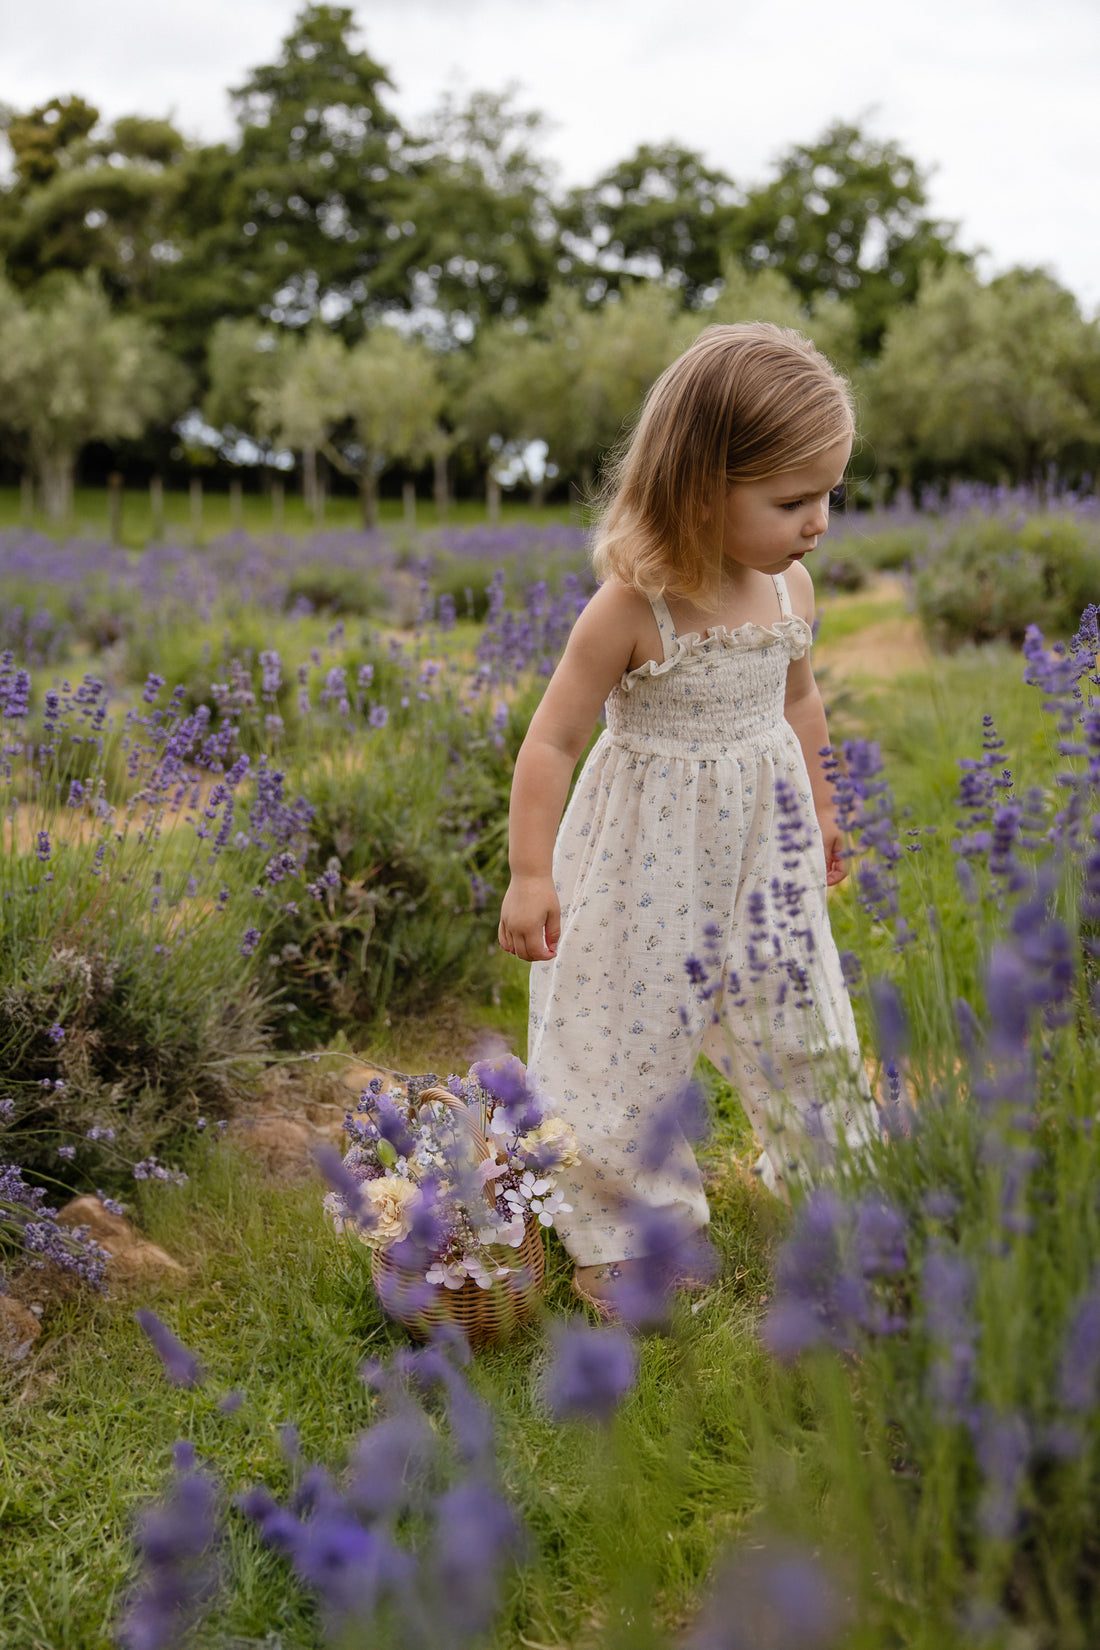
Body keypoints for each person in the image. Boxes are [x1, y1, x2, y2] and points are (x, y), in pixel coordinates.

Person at [498, 322, 879, 1316]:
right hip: (645, 861)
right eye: (792, 500)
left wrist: (824, 808)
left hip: (765, 850)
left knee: (801, 1017)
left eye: (826, 494)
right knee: (627, 1036)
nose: (819, 522)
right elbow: (549, 743)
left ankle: (836, 1184)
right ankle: (627, 1230)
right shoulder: (634, 609)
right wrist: (529, 873)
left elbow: (797, 703)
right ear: (698, 487)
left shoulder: (789, 587)